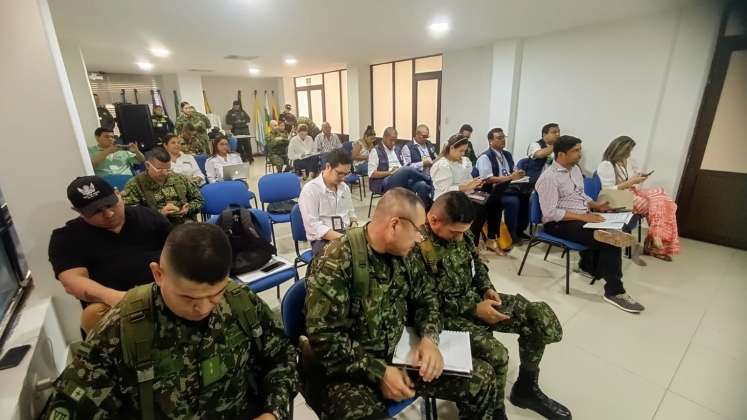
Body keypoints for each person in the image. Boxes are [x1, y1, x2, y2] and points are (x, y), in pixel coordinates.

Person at [41, 223, 299, 419]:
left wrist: (273, 412)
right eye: (188, 297)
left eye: (215, 294)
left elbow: (281, 358)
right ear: (158, 274)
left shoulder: (240, 301)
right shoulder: (124, 328)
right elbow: (67, 408)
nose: (203, 307)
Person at [304, 188, 501, 419]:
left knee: (483, 378)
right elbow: (324, 340)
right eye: (417, 231)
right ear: (394, 225)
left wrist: (429, 339)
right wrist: (379, 372)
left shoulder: (406, 255)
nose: (421, 238)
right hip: (352, 371)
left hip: (401, 356)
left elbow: (427, 300)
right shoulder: (336, 262)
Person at [416, 191, 572, 419]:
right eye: (455, 232)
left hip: (476, 300)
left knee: (538, 317)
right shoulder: (417, 246)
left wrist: (487, 288)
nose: (461, 237)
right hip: (444, 316)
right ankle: (493, 410)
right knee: (497, 354)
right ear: (433, 220)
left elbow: (476, 266)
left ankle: (526, 388)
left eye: (464, 232)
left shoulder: (463, 234)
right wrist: (473, 308)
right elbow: (424, 300)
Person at [536, 135, 645, 313]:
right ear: (561, 154)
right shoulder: (549, 178)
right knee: (609, 239)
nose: (580, 154)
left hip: (581, 216)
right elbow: (550, 213)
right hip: (558, 224)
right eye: (576, 151)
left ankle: (589, 265)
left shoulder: (575, 170)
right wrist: (583, 218)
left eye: (580, 150)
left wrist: (595, 205)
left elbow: (580, 195)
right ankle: (614, 292)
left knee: (616, 226)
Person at [48, 176, 170, 333]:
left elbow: (181, 250)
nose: (109, 214)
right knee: (93, 314)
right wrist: (120, 298)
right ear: (78, 211)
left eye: (111, 204)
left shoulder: (148, 216)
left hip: (165, 292)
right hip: (116, 306)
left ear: (118, 193)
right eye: (95, 211)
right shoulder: (67, 237)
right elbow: (73, 281)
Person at [598, 136, 679, 261]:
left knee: (662, 196)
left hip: (633, 192)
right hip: (618, 197)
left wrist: (638, 177)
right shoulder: (606, 165)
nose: (629, 154)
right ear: (619, 150)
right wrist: (630, 182)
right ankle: (655, 242)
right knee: (660, 206)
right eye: (627, 151)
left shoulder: (629, 161)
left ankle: (656, 236)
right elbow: (607, 191)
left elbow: (633, 182)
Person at [476, 128, 529, 252]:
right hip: (491, 190)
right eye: (499, 138)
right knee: (512, 201)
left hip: (508, 186)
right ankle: (511, 233)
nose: (503, 140)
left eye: (503, 137)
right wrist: (510, 177)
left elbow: (513, 169)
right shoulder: (485, 157)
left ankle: (520, 230)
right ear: (490, 140)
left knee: (525, 196)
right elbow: (487, 179)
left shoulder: (507, 154)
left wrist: (519, 173)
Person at [429, 134, 487, 245]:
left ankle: (472, 243)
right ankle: (465, 243)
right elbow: (444, 190)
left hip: (461, 195)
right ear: (451, 148)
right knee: (476, 211)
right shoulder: (442, 165)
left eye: (465, 151)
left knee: (483, 208)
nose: (463, 154)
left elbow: (466, 180)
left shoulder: (464, 161)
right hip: (445, 200)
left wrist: (474, 183)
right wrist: (467, 187)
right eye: (461, 151)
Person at [298, 149, 357, 256]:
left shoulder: (344, 188)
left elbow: (351, 215)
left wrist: (354, 227)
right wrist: (344, 239)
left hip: (345, 233)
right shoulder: (310, 190)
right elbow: (313, 227)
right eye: (339, 173)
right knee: (346, 257)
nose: (343, 178)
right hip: (323, 239)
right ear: (328, 166)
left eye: (346, 174)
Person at [122, 148, 204, 225]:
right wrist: (159, 214)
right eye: (160, 170)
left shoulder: (179, 178)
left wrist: (188, 208)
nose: (165, 173)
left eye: (168, 169)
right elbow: (130, 214)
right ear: (147, 165)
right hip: (155, 227)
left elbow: (198, 199)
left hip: (184, 223)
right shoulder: (135, 184)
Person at [368, 127, 435, 209]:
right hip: (384, 181)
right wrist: (390, 172)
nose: (393, 143)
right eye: (391, 140)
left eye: (395, 140)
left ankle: (424, 212)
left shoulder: (398, 149)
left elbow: (404, 164)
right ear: (384, 137)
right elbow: (371, 174)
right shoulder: (375, 151)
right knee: (406, 169)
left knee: (422, 185)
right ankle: (429, 179)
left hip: (402, 178)